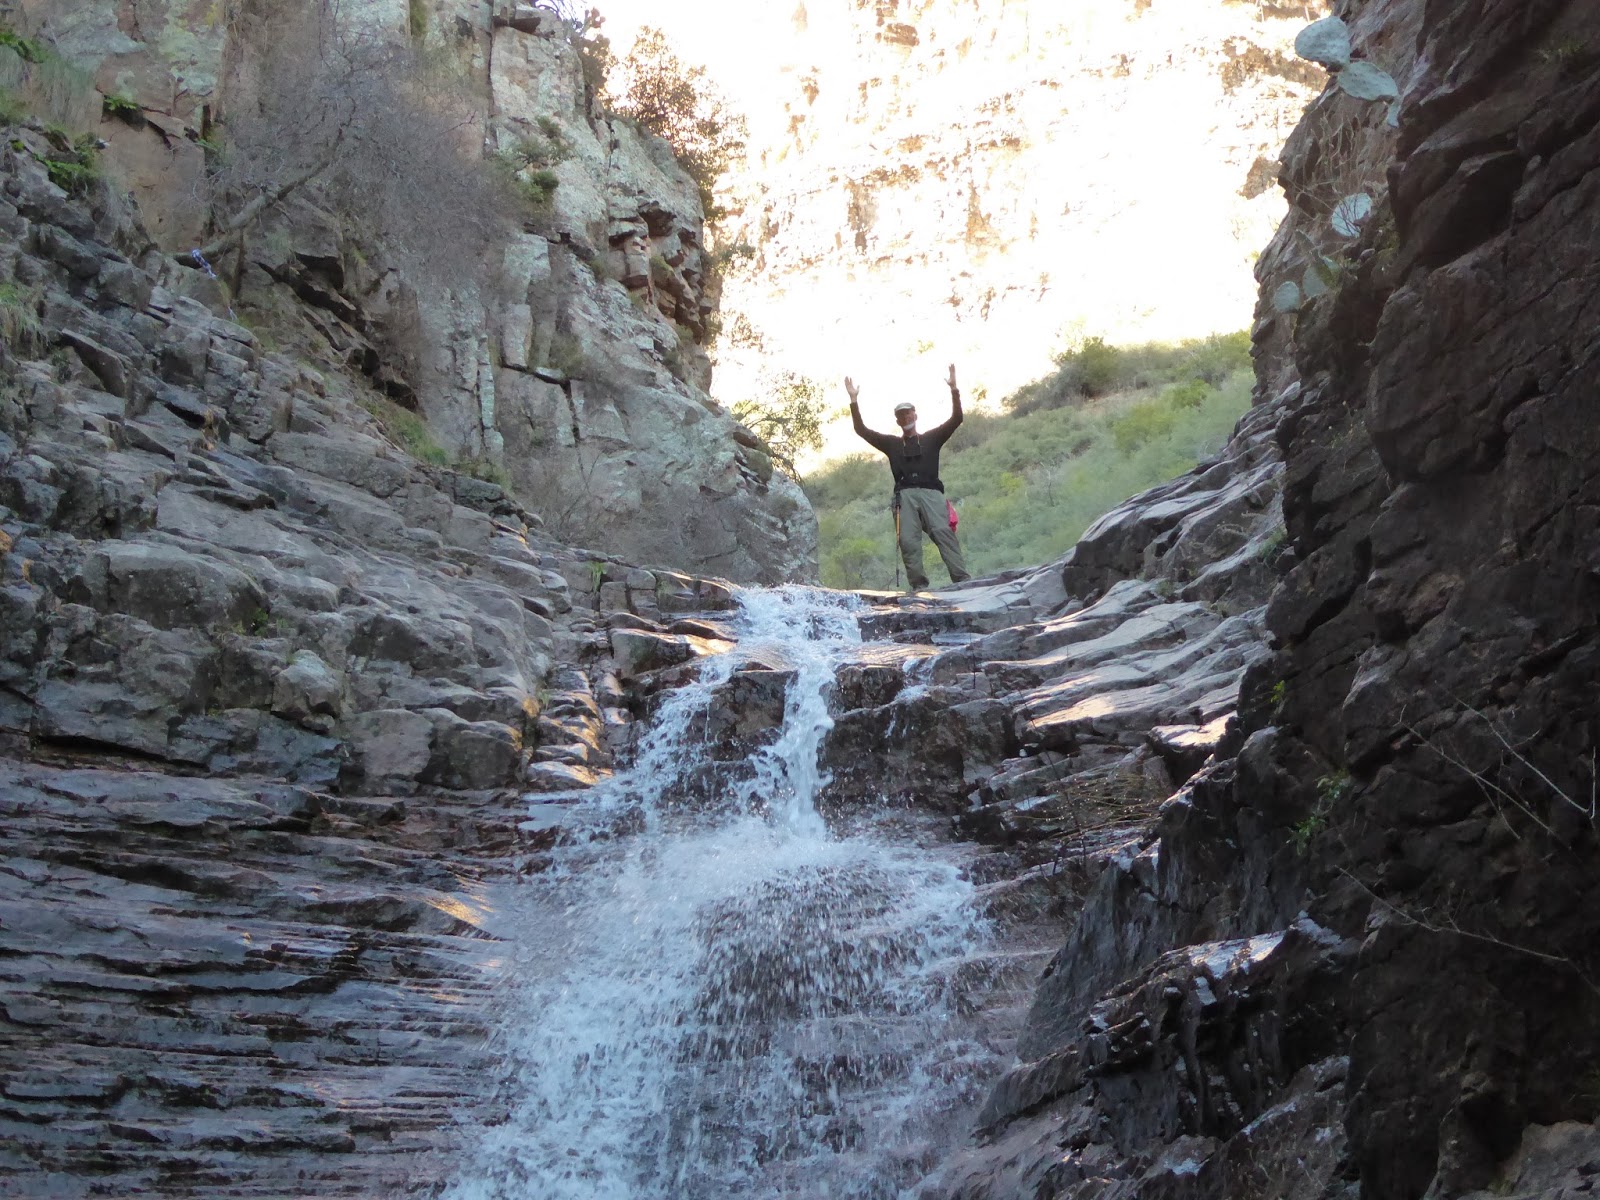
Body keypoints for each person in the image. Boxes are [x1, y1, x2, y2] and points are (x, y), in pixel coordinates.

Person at [846, 364, 972, 592]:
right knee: (908, 541)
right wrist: (854, 401)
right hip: (904, 497)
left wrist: (954, 389)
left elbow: (957, 418)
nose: (905, 417)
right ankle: (919, 587)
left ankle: (962, 580)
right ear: (897, 422)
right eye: (901, 415)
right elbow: (861, 430)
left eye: (908, 413)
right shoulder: (892, 444)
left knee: (943, 532)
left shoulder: (933, 438)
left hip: (931, 493)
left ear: (916, 414)